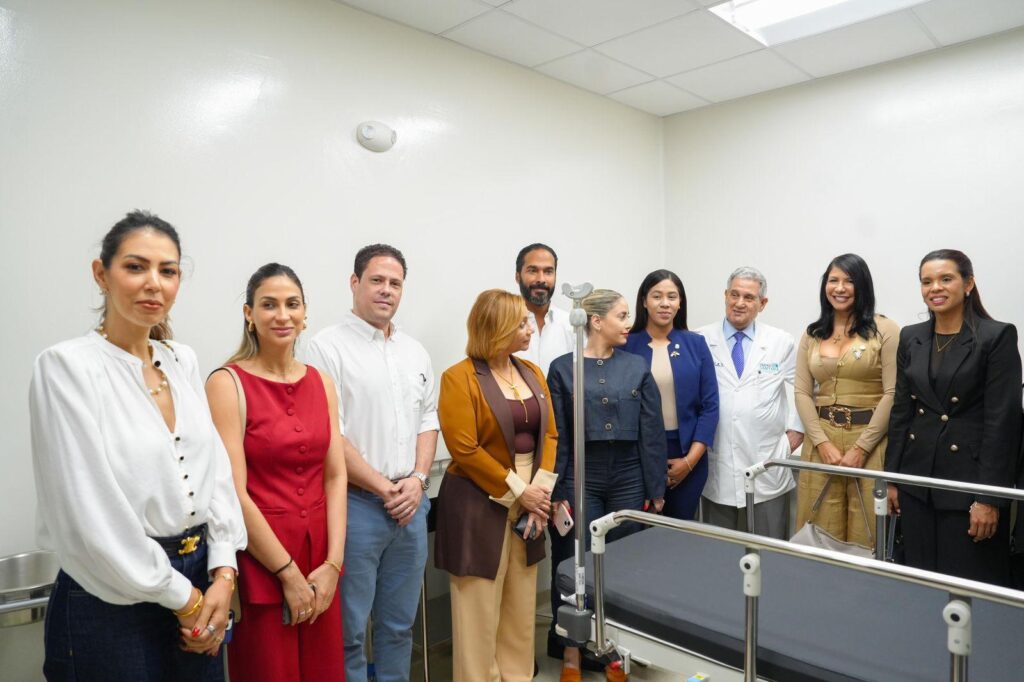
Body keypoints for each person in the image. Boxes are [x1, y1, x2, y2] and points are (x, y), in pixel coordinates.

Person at [30, 211, 246, 681]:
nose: (154, 283)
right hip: (111, 596)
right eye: (135, 266)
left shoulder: (181, 360)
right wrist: (186, 600)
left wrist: (223, 572)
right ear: (101, 274)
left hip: (200, 576)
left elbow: (216, 476)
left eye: (168, 271)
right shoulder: (68, 367)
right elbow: (90, 515)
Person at [304, 244, 438, 682]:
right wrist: (384, 487)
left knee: (399, 627)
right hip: (357, 507)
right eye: (377, 280)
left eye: (395, 283)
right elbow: (331, 433)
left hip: (411, 505)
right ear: (354, 283)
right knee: (350, 632)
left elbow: (428, 419)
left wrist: (418, 479)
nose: (386, 290)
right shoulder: (325, 348)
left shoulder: (414, 351)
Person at [206, 263, 347, 680]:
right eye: (269, 305)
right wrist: (286, 572)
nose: (282, 315)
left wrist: (334, 563)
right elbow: (233, 492)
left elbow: (335, 475)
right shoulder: (227, 383)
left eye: (292, 304)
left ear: (305, 314)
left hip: (321, 561)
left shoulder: (321, 382)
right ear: (249, 314)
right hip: (262, 563)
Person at [434, 289, 558, 682]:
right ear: (497, 327)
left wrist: (540, 490)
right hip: (478, 498)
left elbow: (549, 435)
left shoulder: (531, 372)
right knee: (478, 610)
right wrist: (521, 490)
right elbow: (464, 448)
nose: (530, 329)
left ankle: (518, 676)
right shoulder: (459, 377)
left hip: (532, 494)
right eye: (521, 323)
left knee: (521, 606)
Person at [549, 289, 666, 682]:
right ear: (596, 321)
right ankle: (571, 652)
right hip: (581, 475)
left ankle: (617, 654)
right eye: (621, 315)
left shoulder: (637, 366)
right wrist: (557, 491)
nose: (628, 323)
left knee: (623, 564)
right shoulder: (563, 369)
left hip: (628, 475)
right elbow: (558, 436)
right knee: (576, 563)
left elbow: (652, 430)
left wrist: (656, 488)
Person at [886, 250, 1022, 585]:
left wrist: (989, 498)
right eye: (927, 281)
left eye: (946, 279)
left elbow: (1002, 425)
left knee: (967, 588)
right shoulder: (911, 336)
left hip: (968, 487)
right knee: (919, 584)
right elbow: (902, 411)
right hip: (917, 482)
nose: (935, 288)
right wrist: (891, 480)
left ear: (968, 284)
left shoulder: (995, 336)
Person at [794, 253, 899, 549]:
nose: (839, 288)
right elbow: (802, 392)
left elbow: (893, 393)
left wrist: (861, 447)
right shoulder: (812, 334)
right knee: (817, 526)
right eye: (833, 280)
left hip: (871, 441)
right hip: (821, 440)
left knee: (868, 529)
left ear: (862, 286)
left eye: (849, 281)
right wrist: (821, 443)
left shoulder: (886, 330)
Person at [696, 267, 803, 539]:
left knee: (769, 551)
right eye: (734, 295)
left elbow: (807, 391)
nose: (739, 303)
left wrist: (796, 434)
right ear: (725, 296)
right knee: (719, 552)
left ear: (762, 303)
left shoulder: (780, 342)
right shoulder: (700, 340)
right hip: (718, 468)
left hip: (767, 466)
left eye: (749, 297)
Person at [622, 270, 719, 521]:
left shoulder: (696, 344)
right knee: (639, 530)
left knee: (679, 531)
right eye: (657, 296)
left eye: (672, 297)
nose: (665, 303)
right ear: (644, 301)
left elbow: (710, 407)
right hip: (637, 453)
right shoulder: (626, 345)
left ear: (680, 303)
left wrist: (689, 462)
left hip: (687, 451)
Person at [514, 243, 574, 374]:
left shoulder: (573, 325)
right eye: (533, 270)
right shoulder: (502, 325)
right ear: (518, 277)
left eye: (548, 272)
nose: (541, 279)